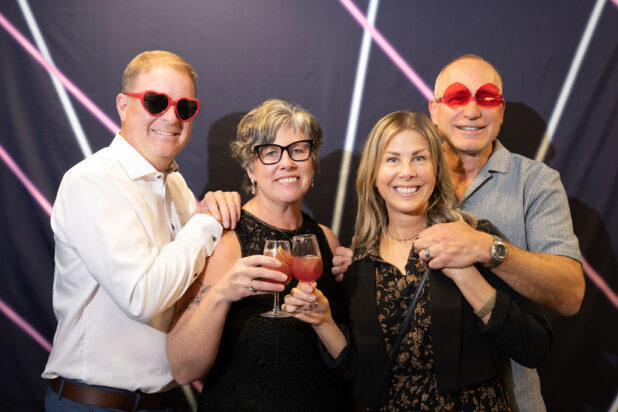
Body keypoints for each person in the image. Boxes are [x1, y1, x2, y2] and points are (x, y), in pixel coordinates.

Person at [335, 54, 584, 411]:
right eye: (457, 97)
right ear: (435, 110)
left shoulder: (535, 183)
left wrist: (488, 249)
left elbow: (570, 296)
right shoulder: (406, 193)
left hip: (513, 398)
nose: (472, 111)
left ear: (501, 111)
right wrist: (357, 269)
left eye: (486, 98)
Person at [284, 111, 551, 411]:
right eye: (392, 159)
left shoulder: (472, 237)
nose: (407, 172)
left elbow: (533, 347)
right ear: (373, 174)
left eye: (420, 158)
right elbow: (362, 377)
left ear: (436, 170)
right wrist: (323, 321)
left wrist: (466, 274)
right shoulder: (359, 263)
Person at [42, 50, 240, 411]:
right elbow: (141, 296)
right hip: (95, 403)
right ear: (123, 106)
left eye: (184, 108)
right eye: (156, 102)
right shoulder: (93, 181)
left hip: (163, 401)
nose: (171, 117)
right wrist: (205, 221)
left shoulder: (175, 185)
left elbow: (194, 282)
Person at [166, 98, 349, 411]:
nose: (287, 163)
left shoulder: (326, 241)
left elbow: (346, 356)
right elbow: (183, 369)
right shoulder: (226, 240)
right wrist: (222, 293)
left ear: (312, 162)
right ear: (250, 169)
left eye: (298, 150)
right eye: (270, 153)